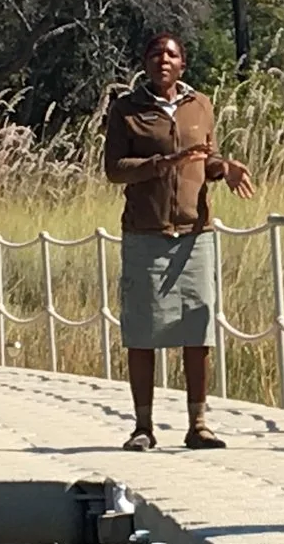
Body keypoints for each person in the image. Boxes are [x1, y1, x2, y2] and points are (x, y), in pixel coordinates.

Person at [103, 30, 255, 451]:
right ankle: (143, 426)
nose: (162, 60)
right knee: (142, 333)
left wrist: (225, 169)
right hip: (147, 232)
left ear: (183, 64)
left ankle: (198, 424)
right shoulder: (127, 110)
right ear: (145, 63)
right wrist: (163, 163)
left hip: (194, 234)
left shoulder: (200, 105)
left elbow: (207, 159)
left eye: (171, 55)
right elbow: (115, 169)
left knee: (197, 329)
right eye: (155, 54)